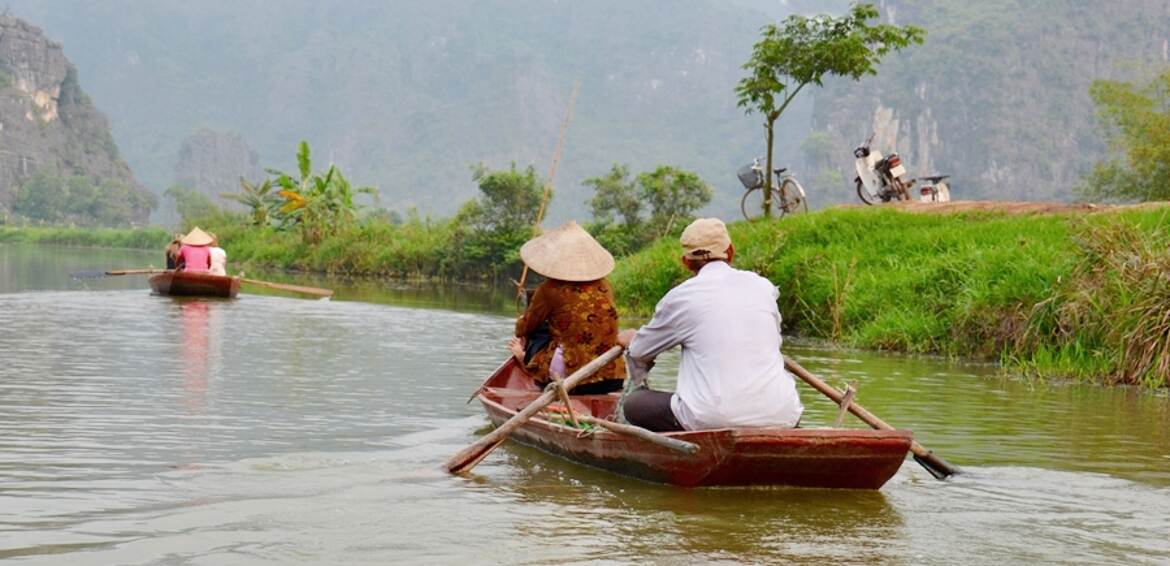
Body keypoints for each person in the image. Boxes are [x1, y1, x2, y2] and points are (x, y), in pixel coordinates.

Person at [616, 218, 803, 432]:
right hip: (783, 414)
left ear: (685, 262)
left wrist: (632, 339)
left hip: (712, 418)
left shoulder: (681, 297)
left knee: (635, 404)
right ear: (730, 252)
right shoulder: (763, 287)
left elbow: (640, 351)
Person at [509, 221, 626, 394]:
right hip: (612, 376)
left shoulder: (549, 290)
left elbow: (524, 328)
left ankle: (525, 360)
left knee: (537, 330)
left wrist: (520, 325)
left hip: (572, 379)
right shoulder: (605, 285)